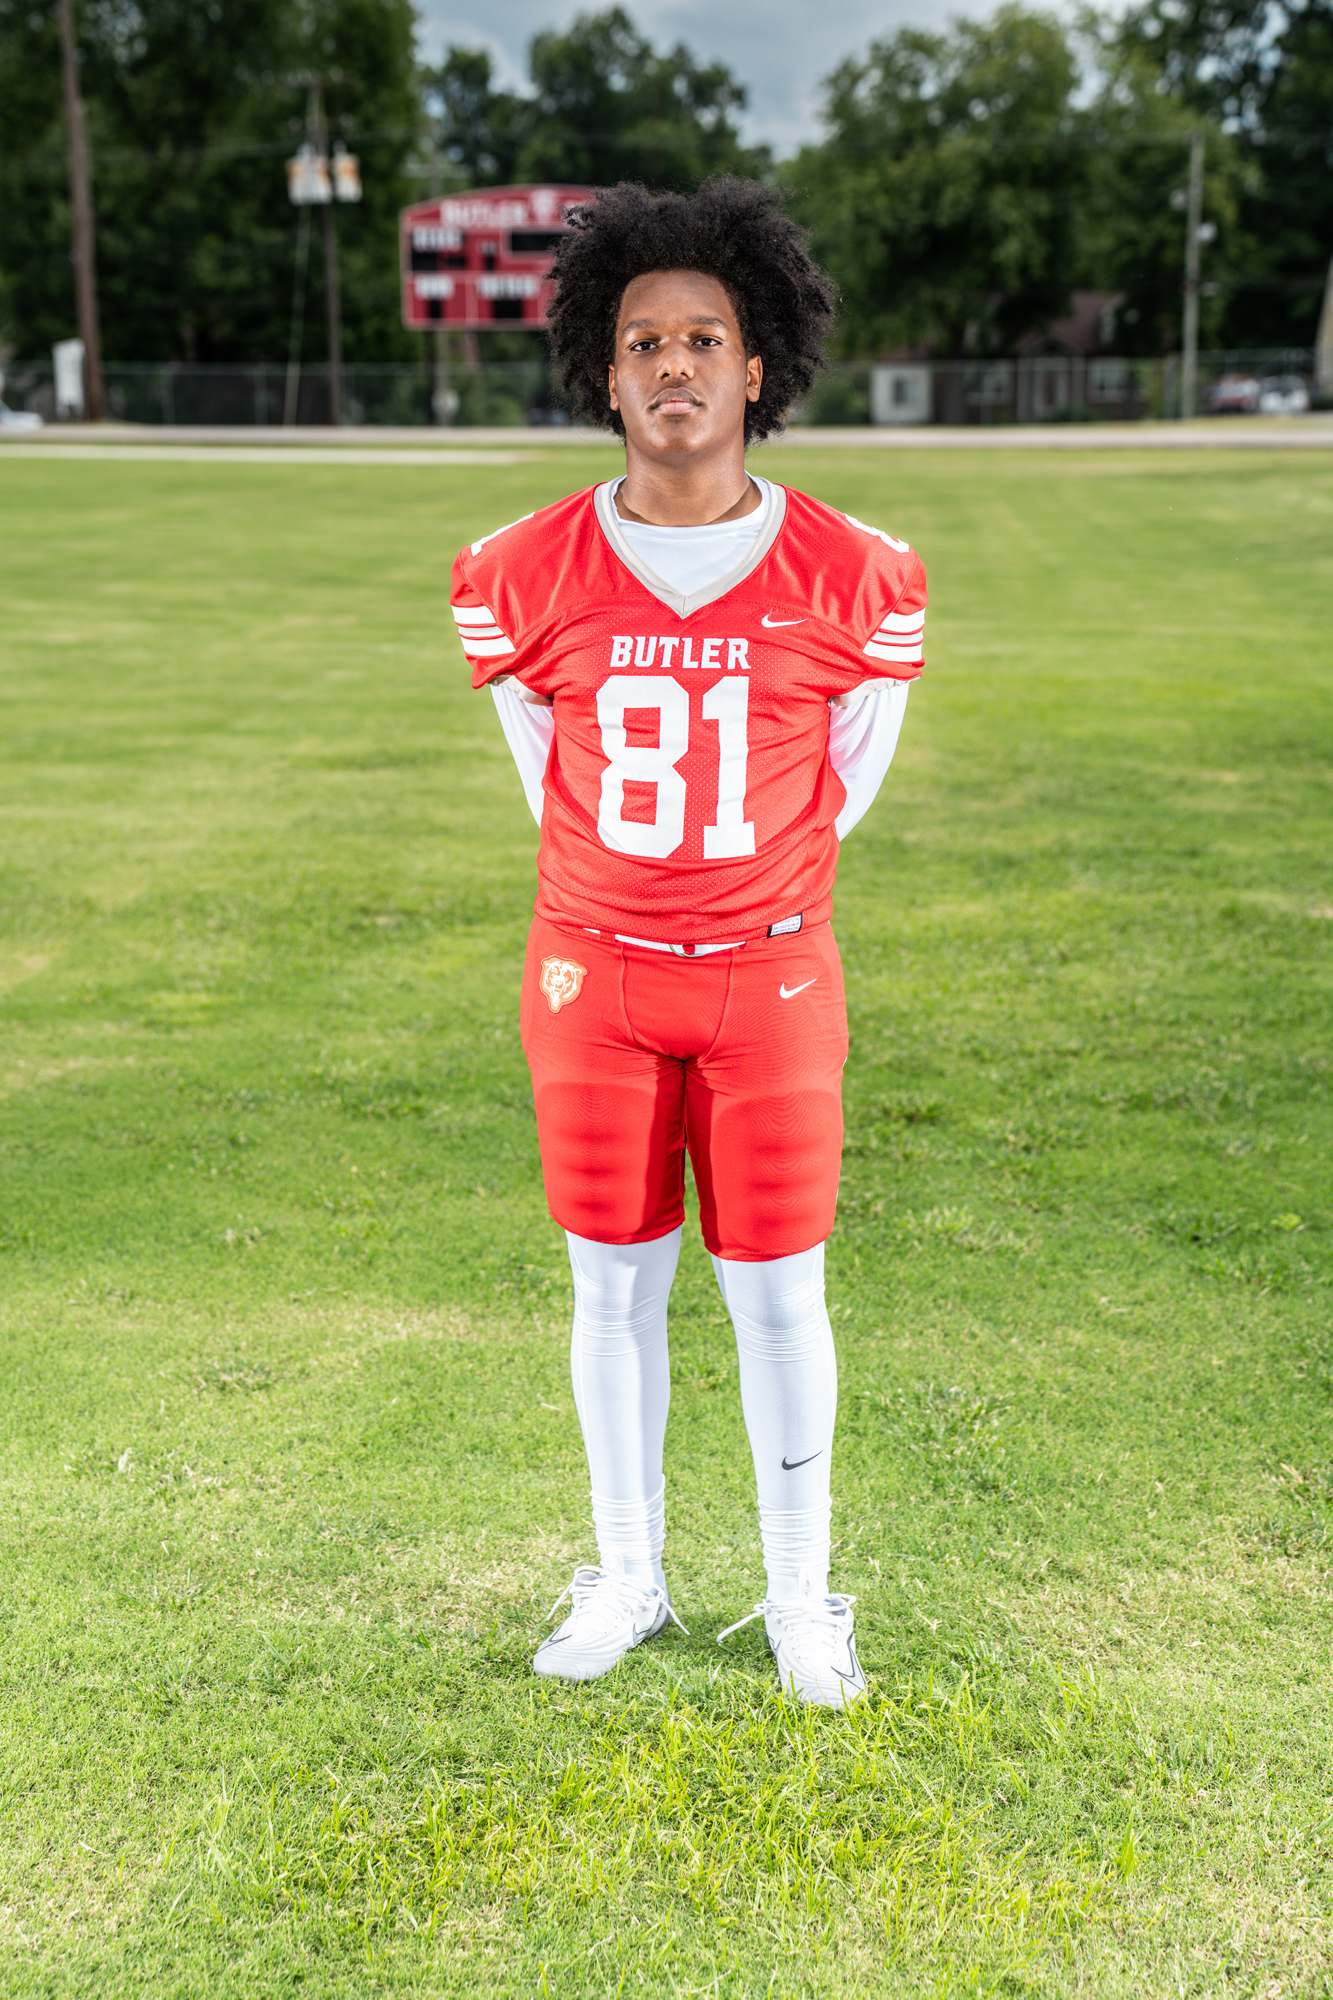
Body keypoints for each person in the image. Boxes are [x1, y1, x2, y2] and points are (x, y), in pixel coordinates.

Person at [449, 178, 925, 1706]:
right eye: (642, 341)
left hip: (768, 974)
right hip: (592, 970)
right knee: (609, 1288)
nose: (672, 364)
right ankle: (629, 1574)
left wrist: (736, 893)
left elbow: (840, 785)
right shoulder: (518, 570)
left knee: (780, 1295)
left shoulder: (857, 571)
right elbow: (552, 779)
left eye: (702, 338)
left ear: (755, 365)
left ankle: (797, 1593)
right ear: (603, 372)